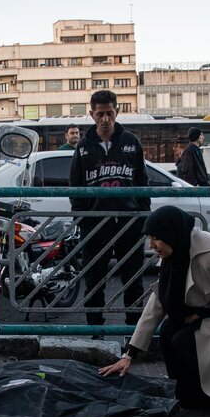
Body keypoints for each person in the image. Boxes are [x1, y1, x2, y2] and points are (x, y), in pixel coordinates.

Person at [99, 206, 210, 417]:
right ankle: (186, 395)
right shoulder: (174, 253)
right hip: (206, 308)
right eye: (150, 237)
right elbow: (158, 303)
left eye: (156, 238)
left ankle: (209, 395)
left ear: (171, 233)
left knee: (187, 339)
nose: (151, 245)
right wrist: (130, 354)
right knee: (167, 332)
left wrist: (205, 313)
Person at [69, 89, 150, 329]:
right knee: (94, 279)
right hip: (95, 224)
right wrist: (83, 219)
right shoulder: (83, 147)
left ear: (118, 111)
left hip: (128, 222)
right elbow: (75, 188)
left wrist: (141, 217)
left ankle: (133, 333)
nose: (105, 119)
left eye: (110, 113)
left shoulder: (131, 142)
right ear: (92, 114)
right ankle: (95, 331)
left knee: (133, 279)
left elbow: (142, 182)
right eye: (100, 114)